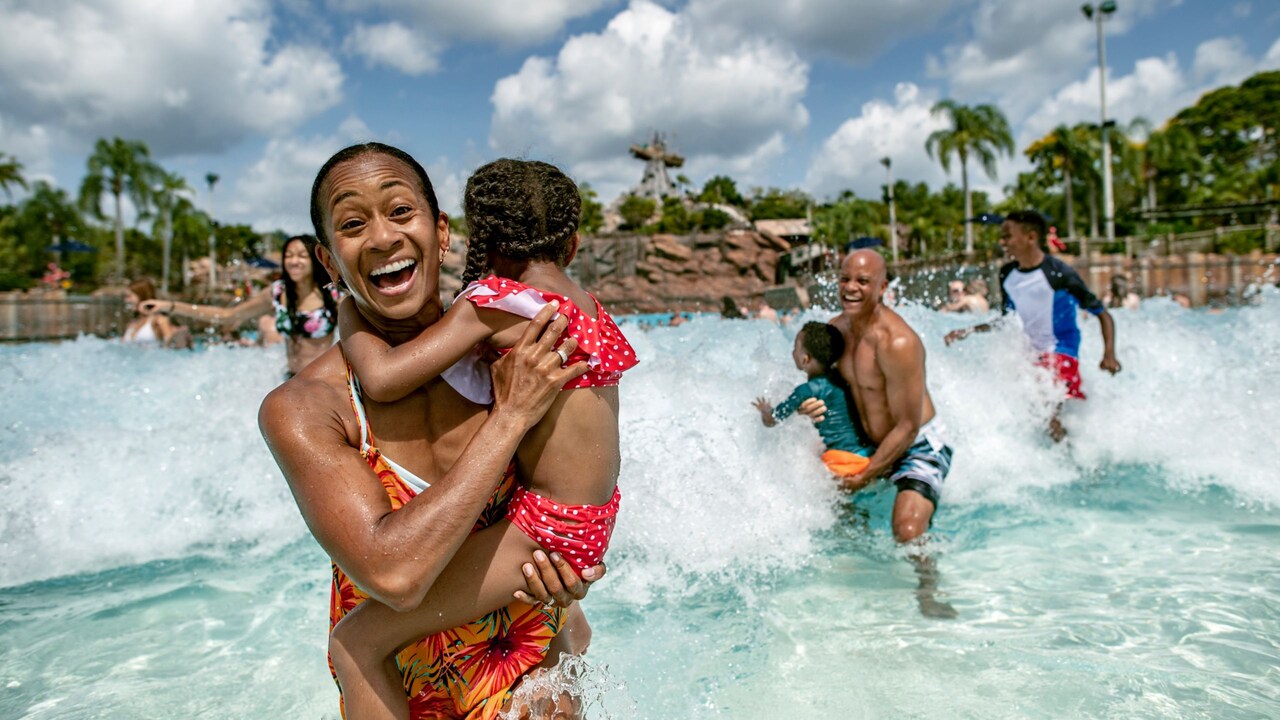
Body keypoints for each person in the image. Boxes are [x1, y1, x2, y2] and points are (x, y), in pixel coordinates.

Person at [259, 143, 606, 720]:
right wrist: (510, 418)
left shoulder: (515, 350)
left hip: (535, 683)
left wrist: (573, 577)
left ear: (442, 232)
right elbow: (393, 574)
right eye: (352, 224)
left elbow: (574, 485)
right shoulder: (308, 407)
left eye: (400, 212)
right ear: (328, 260)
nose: (381, 238)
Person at [798, 250, 953, 544]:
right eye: (844, 279)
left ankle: (927, 588)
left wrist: (865, 475)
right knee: (838, 522)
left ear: (882, 288)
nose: (850, 287)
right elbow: (824, 391)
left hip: (917, 444)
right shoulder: (834, 332)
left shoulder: (898, 342)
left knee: (907, 532)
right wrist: (809, 405)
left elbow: (908, 427)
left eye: (863, 281)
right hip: (866, 442)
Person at [944, 210, 1121, 441]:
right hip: (1032, 353)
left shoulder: (1058, 273)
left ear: (1031, 237)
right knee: (1027, 405)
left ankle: (1071, 461)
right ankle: (1065, 449)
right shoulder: (1007, 274)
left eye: (1008, 236)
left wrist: (1109, 354)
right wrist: (968, 331)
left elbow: (1103, 314)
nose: (1003, 242)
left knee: (1049, 412)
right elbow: (1007, 320)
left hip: (1063, 351)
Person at [144, 234, 339, 377]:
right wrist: (170, 306)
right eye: (288, 255)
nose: (293, 261)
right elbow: (228, 315)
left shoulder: (333, 294)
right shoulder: (278, 291)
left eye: (301, 256)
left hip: (326, 381)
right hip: (290, 379)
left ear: (315, 259)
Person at [752, 321, 874, 479]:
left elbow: (772, 419)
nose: (792, 352)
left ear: (805, 360)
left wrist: (764, 409)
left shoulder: (806, 390)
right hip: (866, 453)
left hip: (842, 462)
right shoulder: (842, 377)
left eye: (795, 349)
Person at [122, 278, 178, 346]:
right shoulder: (132, 323)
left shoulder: (159, 321)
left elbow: (169, 349)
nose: (126, 300)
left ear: (142, 296)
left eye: (129, 296)